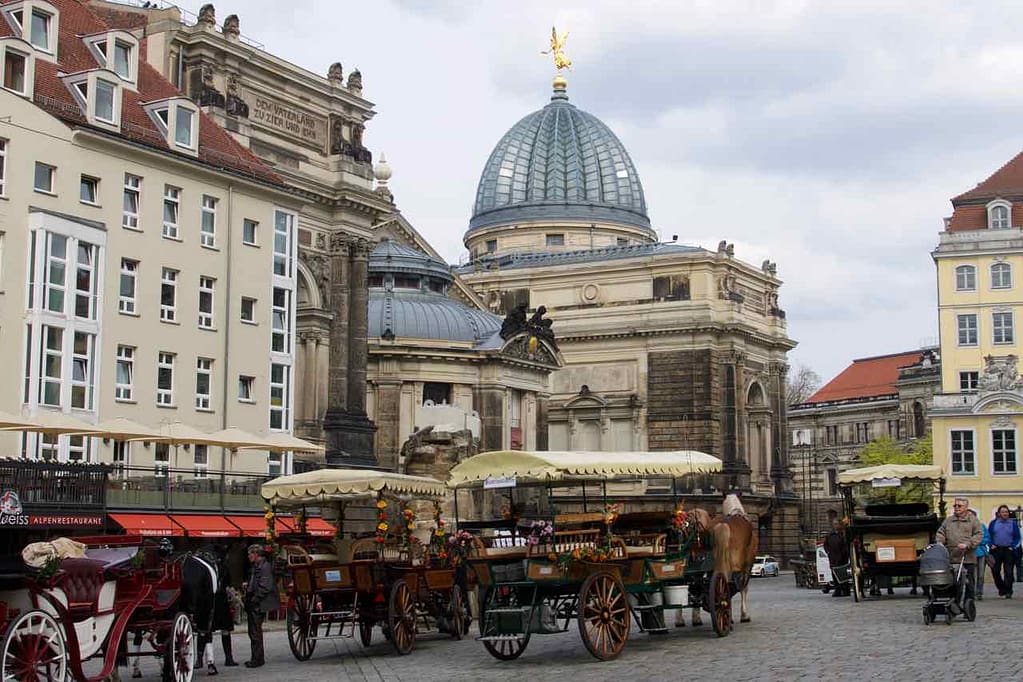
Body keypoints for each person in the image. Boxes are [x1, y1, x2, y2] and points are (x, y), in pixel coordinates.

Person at [935, 497, 984, 603]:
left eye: (959, 506)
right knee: (954, 582)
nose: (956, 508)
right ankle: (954, 601)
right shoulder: (949, 520)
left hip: (967, 557)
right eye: (955, 505)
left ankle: (968, 603)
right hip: (951, 557)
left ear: (966, 508)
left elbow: (979, 534)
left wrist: (968, 544)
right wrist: (940, 542)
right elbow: (941, 532)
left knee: (969, 582)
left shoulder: (973, 520)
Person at [243, 544, 279, 668]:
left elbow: (265, 586)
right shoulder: (257, 566)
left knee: (255, 631)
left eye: (250, 554)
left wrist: (254, 599)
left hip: (259, 603)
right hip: (255, 601)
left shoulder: (264, 567)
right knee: (253, 631)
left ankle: (257, 659)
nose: (248, 556)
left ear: (256, 554)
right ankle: (256, 658)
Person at [212, 544, 238, 670]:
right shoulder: (224, 568)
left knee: (205, 630)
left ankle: (200, 659)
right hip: (221, 600)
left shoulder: (212, 566)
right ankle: (229, 658)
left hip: (211, 600)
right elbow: (227, 585)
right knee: (225, 629)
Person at [987, 504, 1021, 598]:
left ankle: (1008, 591)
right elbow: (988, 536)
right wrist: (991, 544)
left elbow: (1017, 537)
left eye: (1006, 512)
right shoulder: (993, 523)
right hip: (996, 549)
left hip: (1008, 550)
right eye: (1003, 512)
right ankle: (1001, 588)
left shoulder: (1013, 524)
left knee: (1009, 572)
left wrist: (1013, 546)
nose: (1005, 514)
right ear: (999, 513)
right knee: (995, 570)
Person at [823, 518, 850, 597]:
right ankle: (837, 589)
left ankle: (845, 590)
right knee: (834, 573)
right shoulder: (830, 534)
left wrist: (842, 554)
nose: (835, 526)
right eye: (834, 524)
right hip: (832, 556)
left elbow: (845, 545)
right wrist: (827, 551)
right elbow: (826, 544)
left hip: (842, 556)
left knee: (842, 574)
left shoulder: (843, 534)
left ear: (840, 524)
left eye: (836, 524)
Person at [970, 509, 990, 600]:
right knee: (972, 575)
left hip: (981, 553)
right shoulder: (965, 527)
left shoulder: (982, 526)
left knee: (981, 575)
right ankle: (972, 592)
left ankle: (979, 592)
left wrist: (978, 542)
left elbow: (987, 538)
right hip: (970, 554)